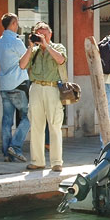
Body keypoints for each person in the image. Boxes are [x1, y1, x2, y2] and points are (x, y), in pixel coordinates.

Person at [19, 22, 67, 172]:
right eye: (39, 34)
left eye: (44, 34)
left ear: (50, 34)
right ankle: (37, 161)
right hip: (36, 88)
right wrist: (30, 47)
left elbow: (60, 60)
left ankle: (57, 162)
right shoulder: (34, 50)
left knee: (55, 125)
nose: (42, 37)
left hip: (52, 88)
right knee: (36, 126)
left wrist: (47, 45)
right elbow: (22, 65)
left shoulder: (58, 47)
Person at [0, 13, 30, 163]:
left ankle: (6, 153)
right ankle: (15, 147)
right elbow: (24, 62)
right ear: (14, 23)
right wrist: (31, 48)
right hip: (18, 83)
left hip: (4, 85)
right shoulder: (16, 42)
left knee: (7, 120)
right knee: (29, 117)